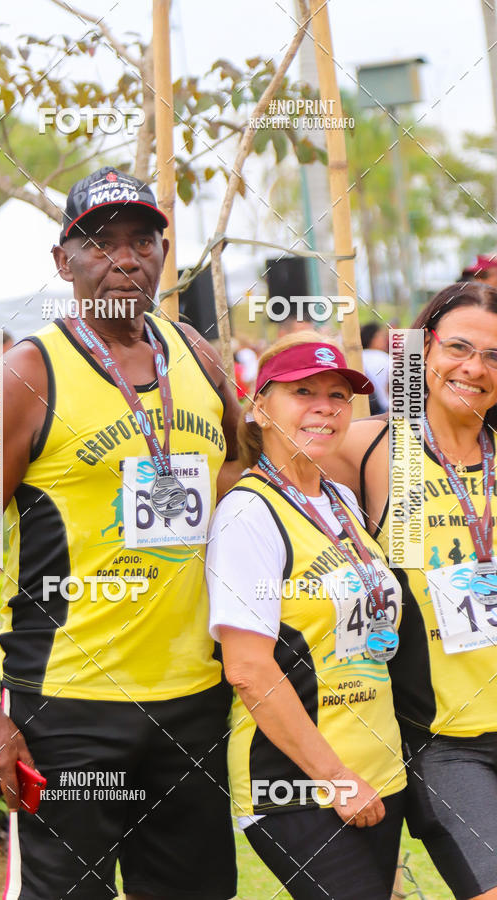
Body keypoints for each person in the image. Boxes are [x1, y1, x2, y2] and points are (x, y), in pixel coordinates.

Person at [0, 166, 240, 900]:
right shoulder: (22, 376)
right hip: (69, 710)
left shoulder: (197, 356)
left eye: (142, 241)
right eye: (100, 243)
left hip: (194, 701)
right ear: (63, 262)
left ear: (163, 253)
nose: (124, 258)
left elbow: (239, 472)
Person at [206, 332, 406, 899]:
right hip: (297, 784)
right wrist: (336, 778)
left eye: (338, 395)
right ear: (259, 406)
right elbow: (248, 669)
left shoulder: (342, 501)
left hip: (378, 770)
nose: (325, 407)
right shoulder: (247, 514)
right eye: (303, 392)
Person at [327, 281, 497, 900]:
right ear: (424, 349)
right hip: (447, 742)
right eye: (458, 347)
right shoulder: (368, 447)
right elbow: (257, 467)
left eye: (494, 356)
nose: (474, 368)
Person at [360, 322, 390, 414]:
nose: (384, 340)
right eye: (381, 336)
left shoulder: (356, 357)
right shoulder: (385, 358)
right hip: (383, 410)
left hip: (361, 409)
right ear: (371, 338)